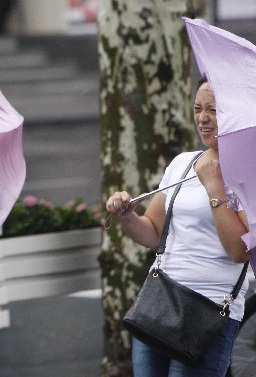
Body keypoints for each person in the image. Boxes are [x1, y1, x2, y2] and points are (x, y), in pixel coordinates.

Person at [105, 78, 251, 376]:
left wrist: (214, 188)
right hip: (161, 303)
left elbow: (240, 250)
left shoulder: (249, 173)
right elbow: (153, 232)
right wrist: (127, 215)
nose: (203, 117)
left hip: (210, 312)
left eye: (213, 109)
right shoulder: (183, 164)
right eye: (198, 108)